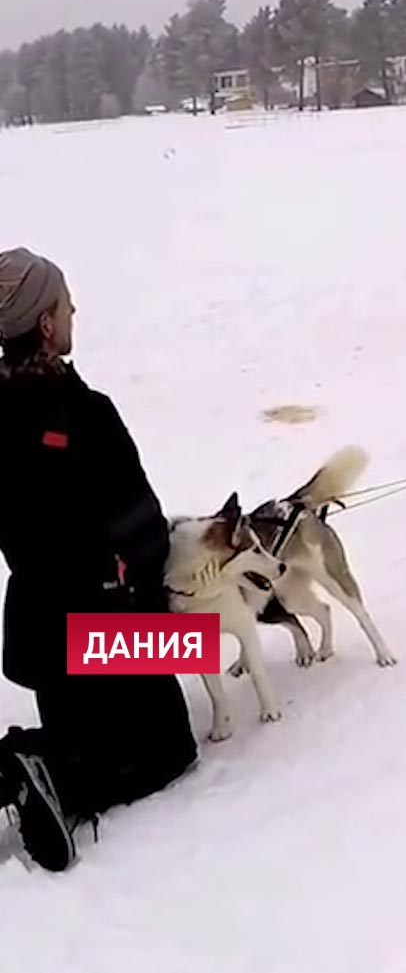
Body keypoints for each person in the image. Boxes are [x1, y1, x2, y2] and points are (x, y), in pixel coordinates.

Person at [0, 248, 197, 873]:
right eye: (65, 303)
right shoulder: (87, 413)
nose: (75, 310)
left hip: (37, 629)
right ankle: (49, 772)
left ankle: (42, 764)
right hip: (105, 621)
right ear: (48, 325)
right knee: (169, 753)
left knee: (87, 731)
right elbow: (141, 525)